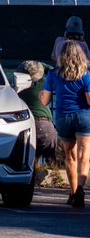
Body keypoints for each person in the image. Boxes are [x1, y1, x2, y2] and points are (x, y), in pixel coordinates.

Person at [40, 40, 90, 208]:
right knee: (84, 157)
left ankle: (72, 192)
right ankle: (81, 189)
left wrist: (41, 95)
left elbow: (45, 101)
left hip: (63, 117)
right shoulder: (86, 75)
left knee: (71, 157)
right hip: (84, 117)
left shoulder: (53, 75)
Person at [17, 60, 59, 164]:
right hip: (45, 127)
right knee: (53, 162)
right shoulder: (43, 83)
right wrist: (42, 65)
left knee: (31, 162)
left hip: (26, 127)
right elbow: (56, 71)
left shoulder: (18, 87)